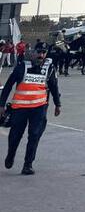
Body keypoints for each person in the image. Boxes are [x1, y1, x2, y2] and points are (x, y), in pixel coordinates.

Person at [1, 46, 62, 175]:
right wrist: (1, 105)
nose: (41, 55)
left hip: (39, 108)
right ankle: (11, 155)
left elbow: (54, 86)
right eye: (39, 52)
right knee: (15, 135)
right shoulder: (22, 67)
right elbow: (8, 85)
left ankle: (28, 165)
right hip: (20, 108)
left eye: (44, 53)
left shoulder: (49, 68)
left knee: (34, 135)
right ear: (33, 53)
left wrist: (58, 104)